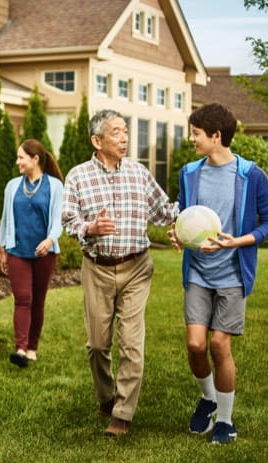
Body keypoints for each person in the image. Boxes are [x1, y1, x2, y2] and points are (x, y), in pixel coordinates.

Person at [62, 109, 179, 436]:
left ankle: (123, 413)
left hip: (137, 267)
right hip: (98, 269)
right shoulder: (78, 176)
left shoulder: (139, 173)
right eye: (116, 132)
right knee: (98, 344)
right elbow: (69, 221)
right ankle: (106, 395)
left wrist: (191, 215)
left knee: (131, 342)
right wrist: (91, 228)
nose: (125, 138)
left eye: (126, 131)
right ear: (97, 140)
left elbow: (164, 211)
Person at [169, 103, 268, 444]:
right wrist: (176, 232)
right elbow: (184, 213)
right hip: (198, 271)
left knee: (219, 344)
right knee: (196, 345)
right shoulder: (189, 172)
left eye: (196, 134)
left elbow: (267, 223)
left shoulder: (251, 175)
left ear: (216, 136)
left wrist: (236, 242)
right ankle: (208, 399)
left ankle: (225, 421)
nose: (191, 139)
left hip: (232, 273)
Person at [0, 139, 64, 368]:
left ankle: (32, 348)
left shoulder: (55, 186)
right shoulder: (12, 185)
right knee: (23, 299)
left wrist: (50, 239)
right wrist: (2, 248)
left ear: (35, 159)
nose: (17, 161)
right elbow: (6, 218)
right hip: (18, 250)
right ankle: (20, 348)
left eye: (21, 157)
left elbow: (58, 219)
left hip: (44, 253)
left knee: (38, 301)